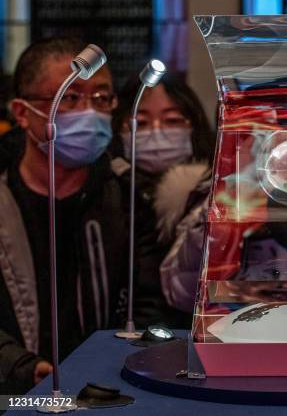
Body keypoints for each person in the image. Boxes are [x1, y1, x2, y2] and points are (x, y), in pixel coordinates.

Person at [0, 37, 128, 394]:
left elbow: (148, 298)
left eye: (102, 98)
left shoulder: (128, 194)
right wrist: (22, 368)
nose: (90, 111)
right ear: (23, 112)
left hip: (112, 388)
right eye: (70, 97)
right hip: (13, 392)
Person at [110, 72, 215, 326]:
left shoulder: (213, 197)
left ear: (194, 125)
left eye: (172, 120)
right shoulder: (108, 195)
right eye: (141, 123)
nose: (157, 132)